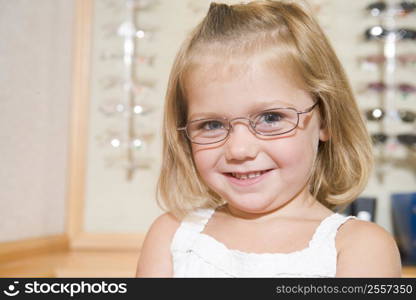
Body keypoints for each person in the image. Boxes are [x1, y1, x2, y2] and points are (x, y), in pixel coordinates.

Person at [136, 0, 402, 277]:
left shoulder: (360, 247)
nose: (239, 150)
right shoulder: (171, 237)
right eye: (212, 124)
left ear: (326, 118)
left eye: (271, 118)